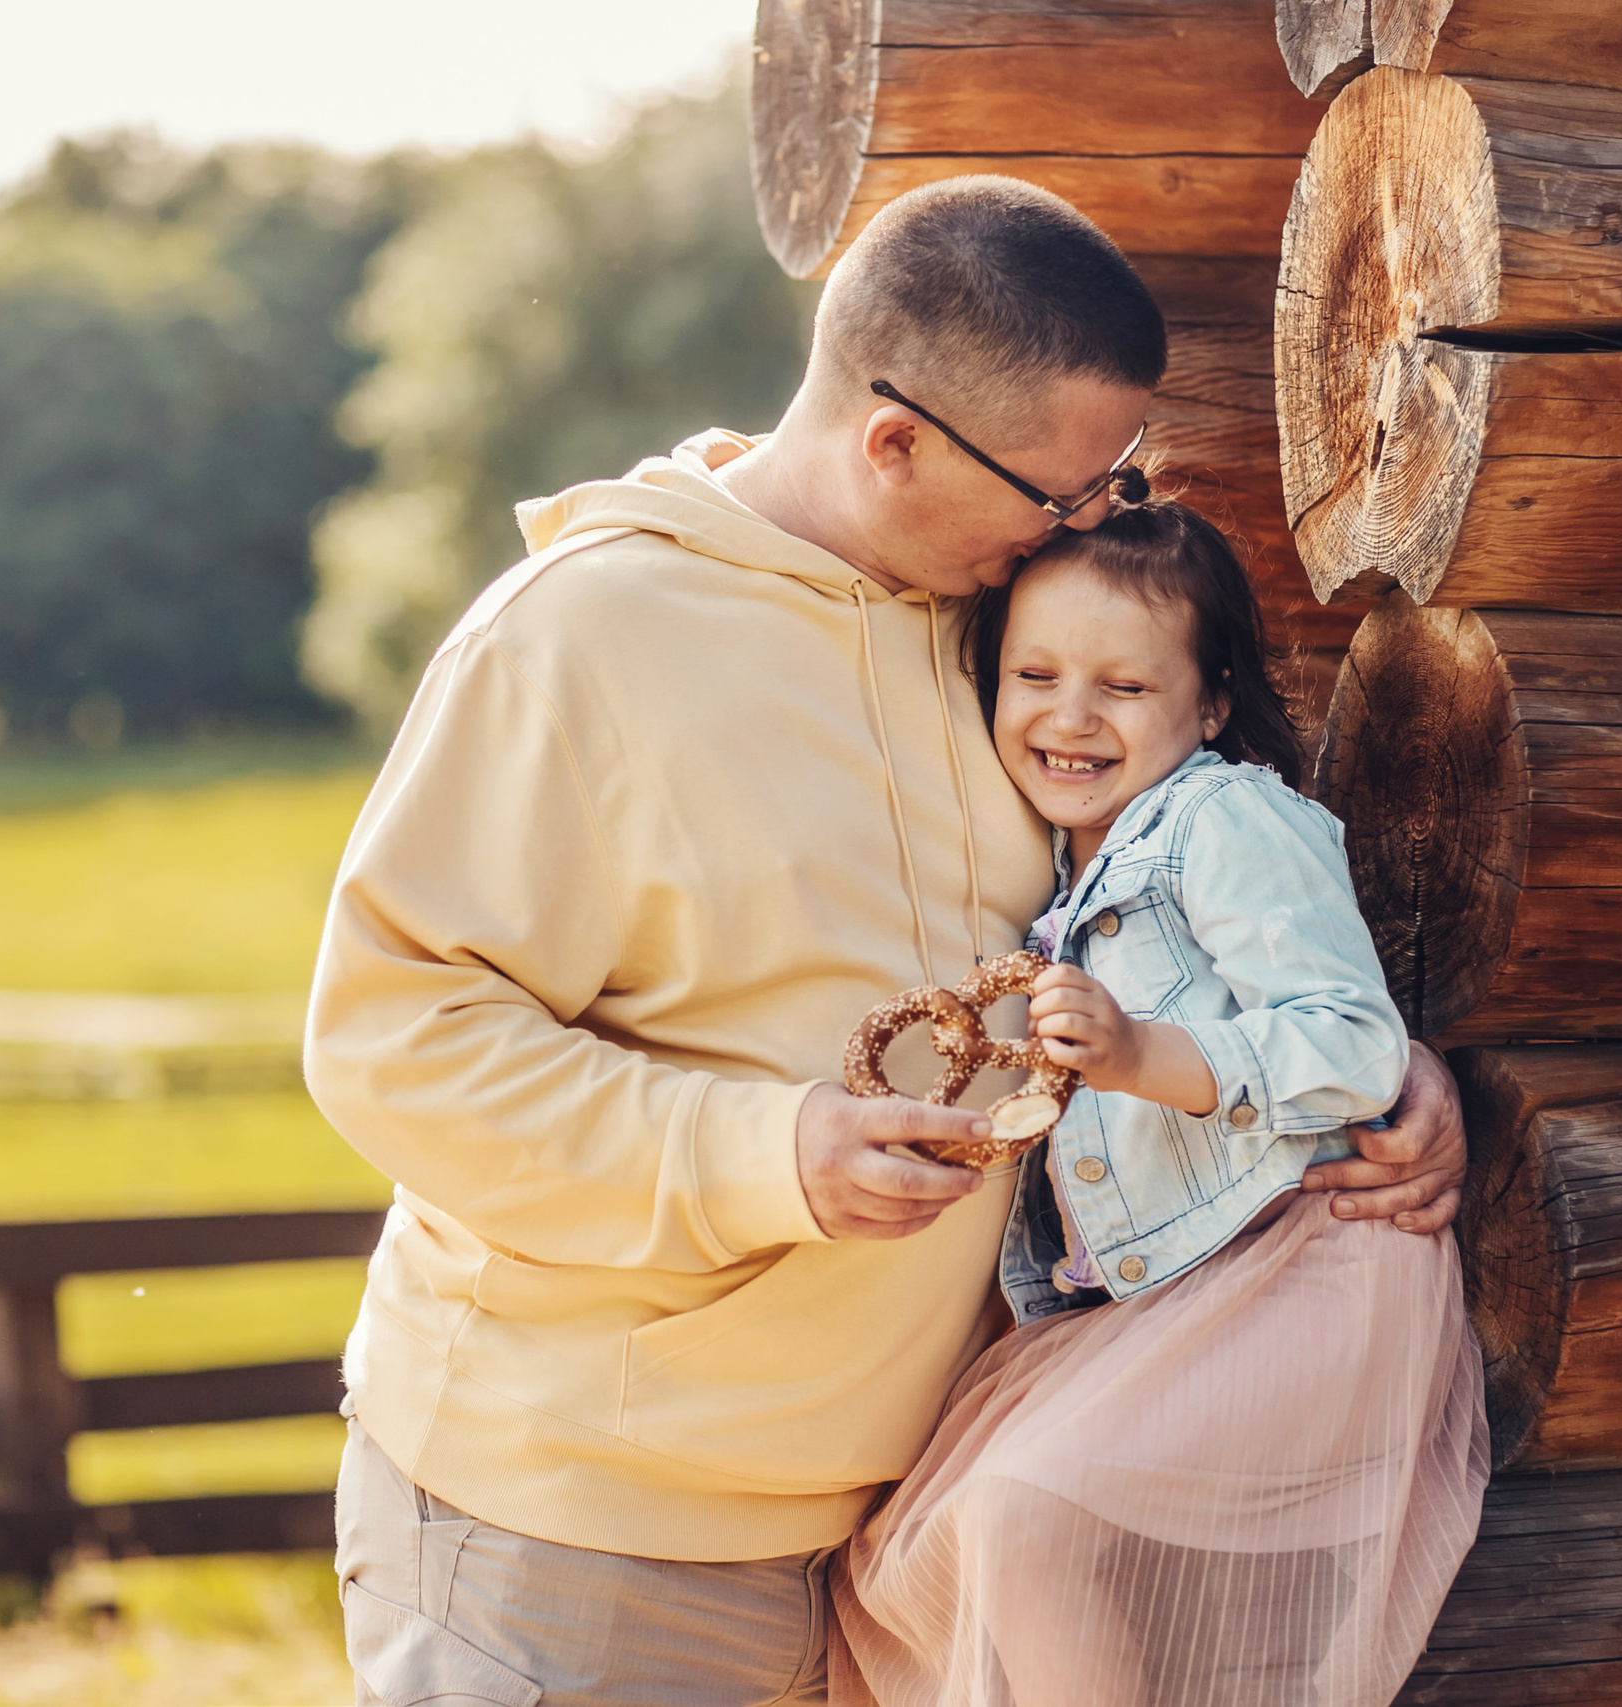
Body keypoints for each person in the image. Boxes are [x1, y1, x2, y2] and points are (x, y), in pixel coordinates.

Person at [303, 176, 1469, 1707]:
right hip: (577, 1533)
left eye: (1112, 486)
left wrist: (1366, 1069)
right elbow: (394, 1040)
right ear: (896, 439)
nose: (1085, 524)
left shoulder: (1001, 629)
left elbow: (1147, 918)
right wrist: (766, 1151)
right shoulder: (575, 641)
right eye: (1056, 492)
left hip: (906, 1530)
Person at [829, 499, 1489, 1707]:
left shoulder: (1222, 818)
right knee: (902, 1564)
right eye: (1034, 674)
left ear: (1211, 706)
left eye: (1123, 689)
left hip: (1303, 1271)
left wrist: (1143, 1056)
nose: (1069, 716)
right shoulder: (1058, 860)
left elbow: (1355, 1043)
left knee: (1021, 1517)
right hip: (1158, 1294)